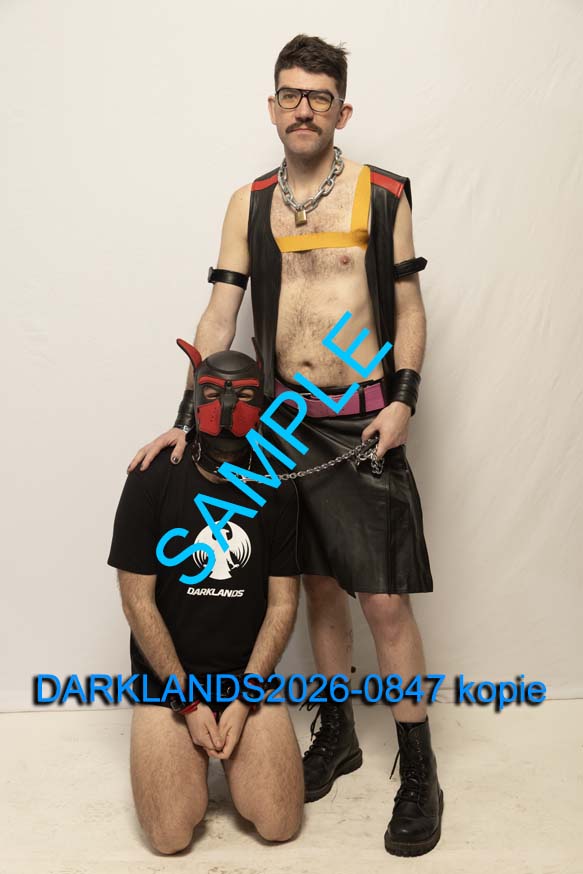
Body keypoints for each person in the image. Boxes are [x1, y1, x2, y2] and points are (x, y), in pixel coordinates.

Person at [127, 34, 443, 857]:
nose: (305, 109)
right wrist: (189, 415)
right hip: (275, 422)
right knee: (315, 587)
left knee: (381, 598)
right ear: (272, 107)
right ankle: (336, 733)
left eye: (320, 96)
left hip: (361, 414)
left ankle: (418, 769)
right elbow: (219, 315)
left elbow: (408, 309)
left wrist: (404, 401)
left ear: (343, 109)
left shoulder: (381, 194)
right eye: (291, 95)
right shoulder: (249, 202)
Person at [108, 340, 304, 854]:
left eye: (244, 396)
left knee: (279, 823)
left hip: (245, 679)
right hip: (170, 683)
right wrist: (188, 700)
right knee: (170, 836)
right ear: (194, 399)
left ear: (262, 402)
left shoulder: (277, 486)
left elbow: (283, 604)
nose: (229, 407)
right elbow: (137, 602)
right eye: (215, 394)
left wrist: (246, 695)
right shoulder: (152, 477)